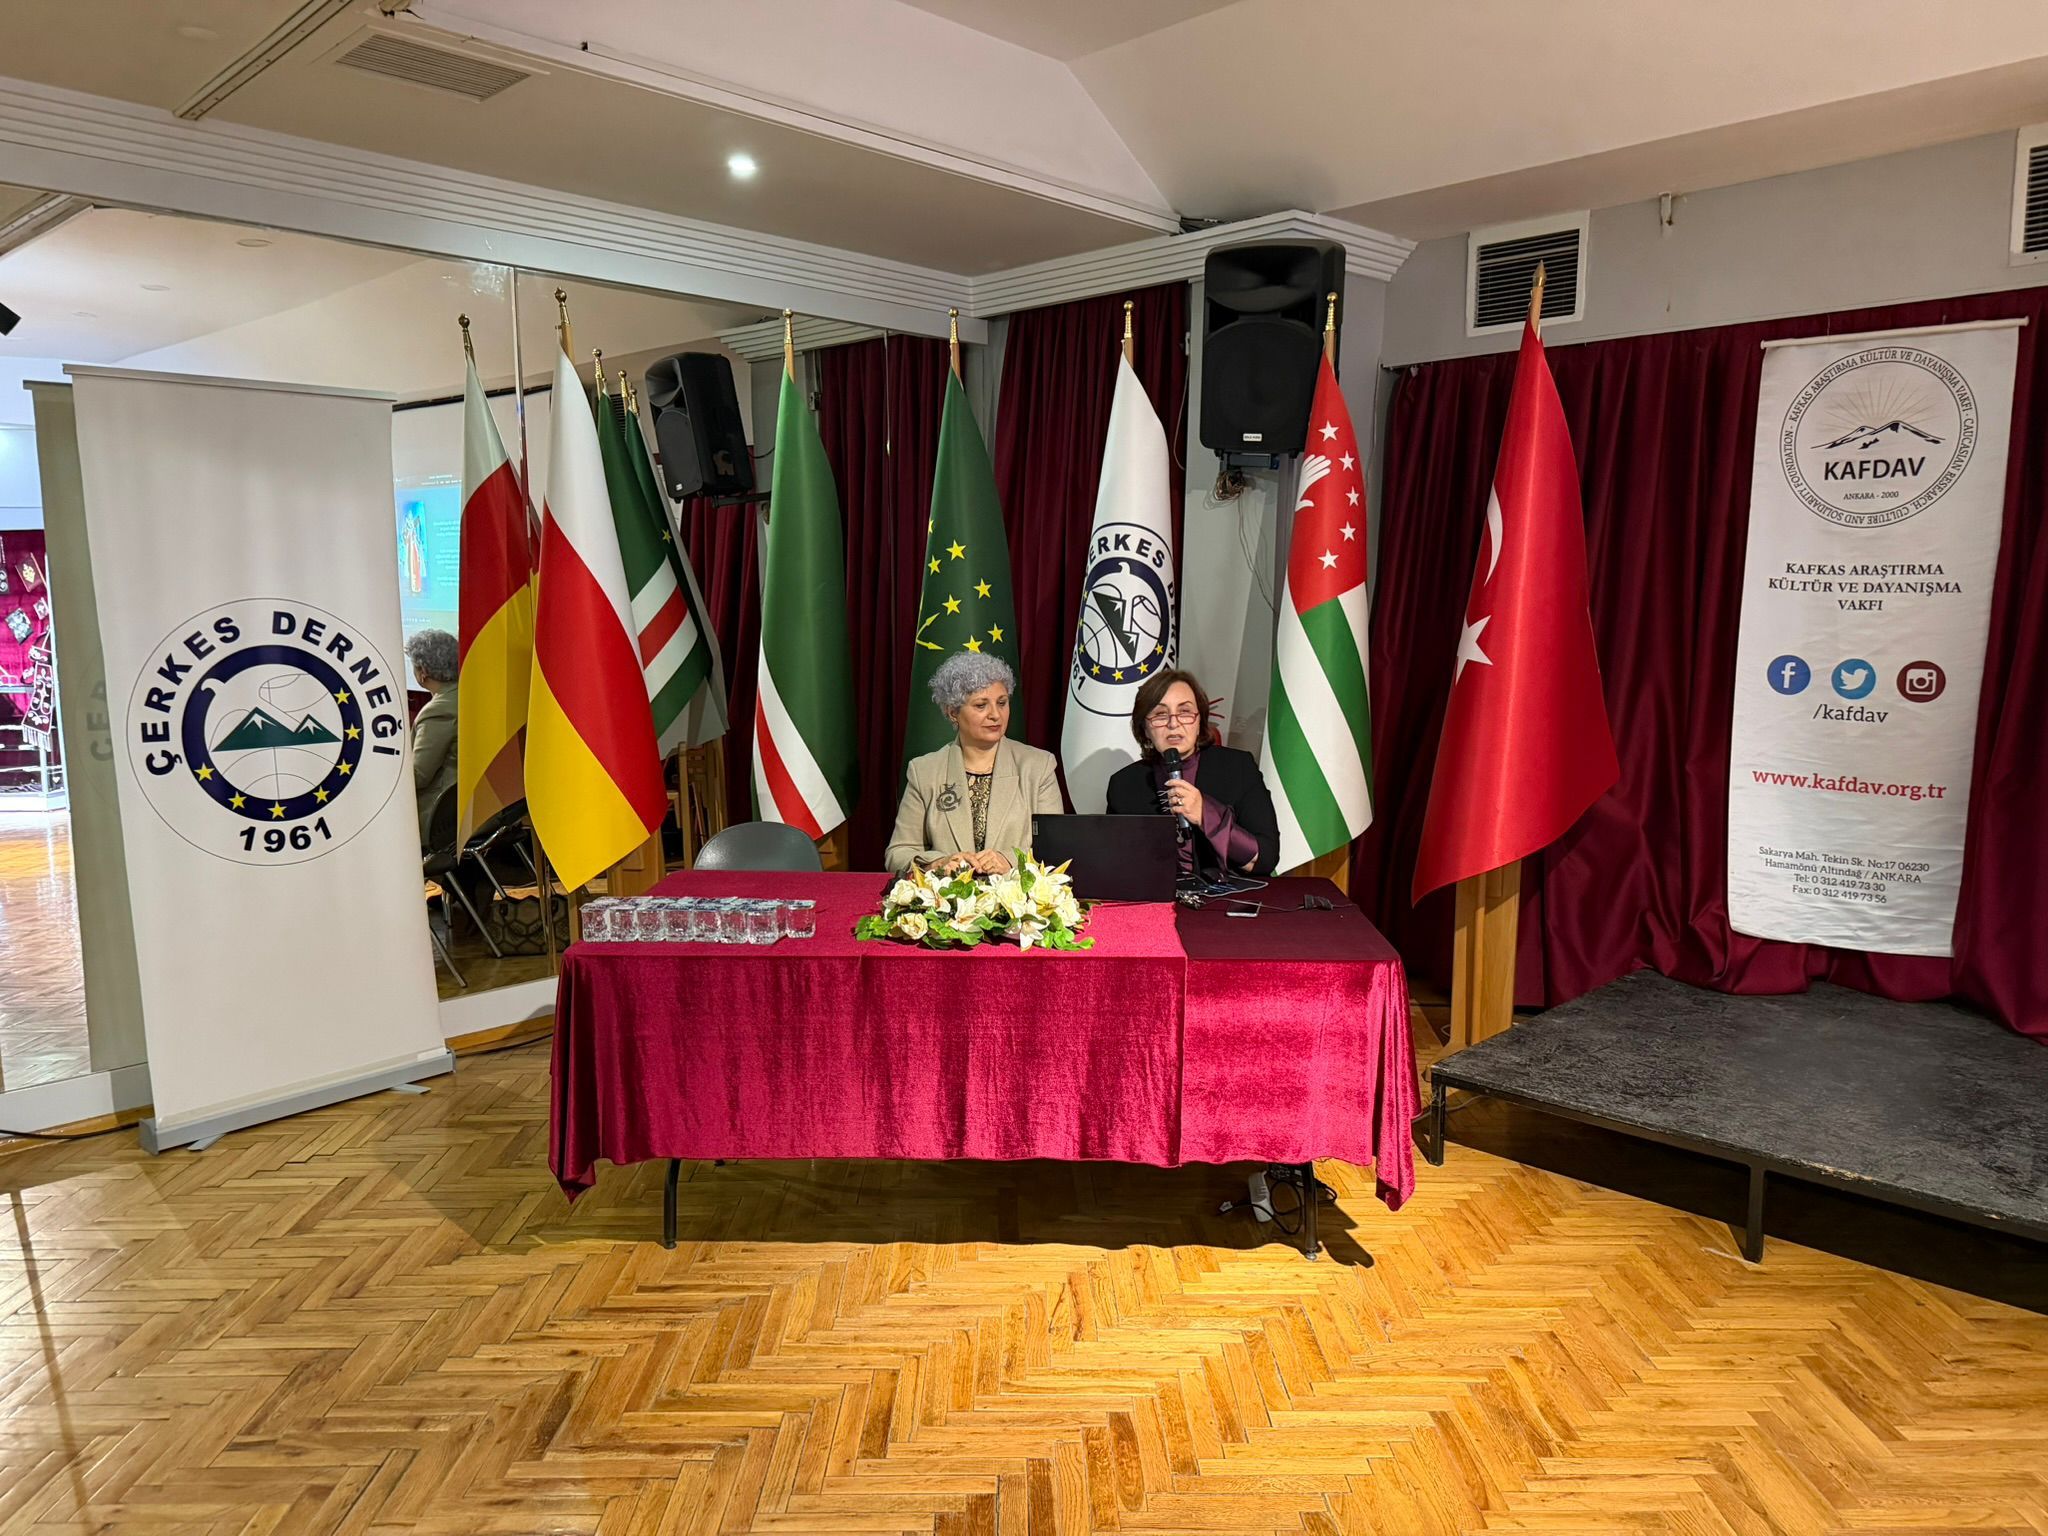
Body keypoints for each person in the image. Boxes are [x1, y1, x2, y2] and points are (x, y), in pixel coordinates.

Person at [886, 651, 1061, 876]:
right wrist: (937, 864)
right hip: (948, 897)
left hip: (1016, 896)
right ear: (953, 712)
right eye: (981, 705)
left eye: (1002, 703)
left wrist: (1010, 860)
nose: (995, 715)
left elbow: (1056, 850)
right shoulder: (924, 771)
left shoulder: (1038, 766)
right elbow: (898, 853)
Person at [1106, 669, 1279, 879]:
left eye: (1185, 712)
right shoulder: (1124, 784)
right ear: (1145, 729)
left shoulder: (1238, 767)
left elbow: (1265, 858)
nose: (1173, 723)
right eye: (1160, 715)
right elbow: (1115, 866)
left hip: (1228, 894)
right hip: (1155, 896)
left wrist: (1207, 814)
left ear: (1199, 722)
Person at [405, 628, 460, 849]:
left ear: (423, 672)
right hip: (479, 808)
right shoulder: (470, 694)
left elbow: (418, 776)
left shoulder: (438, 711)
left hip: (441, 819)